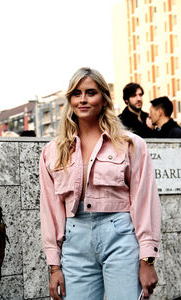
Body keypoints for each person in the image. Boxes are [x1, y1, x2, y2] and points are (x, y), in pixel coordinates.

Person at [39, 68, 161, 300]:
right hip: (75, 242)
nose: (83, 99)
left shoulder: (130, 144)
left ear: (104, 99)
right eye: (76, 93)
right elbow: (51, 210)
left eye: (90, 93)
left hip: (121, 237)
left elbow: (145, 202)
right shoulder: (53, 151)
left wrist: (147, 259)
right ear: (70, 100)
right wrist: (54, 266)